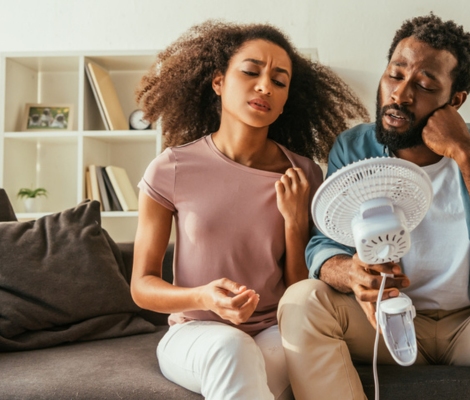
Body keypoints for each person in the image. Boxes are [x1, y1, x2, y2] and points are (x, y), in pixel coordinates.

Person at [278, 13, 470, 400]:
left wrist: (465, 153)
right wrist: (348, 272)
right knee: (301, 301)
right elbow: (324, 245)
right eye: (395, 74)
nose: (401, 94)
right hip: (388, 323)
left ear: (454, 101)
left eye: (424, 84)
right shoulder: (354, 148)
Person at [130, 21, 369, 400]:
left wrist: (294, 222)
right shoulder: (171, 168)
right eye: (250, 71)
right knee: (232, 348)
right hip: (194, 332)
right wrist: (204, 297)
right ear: (219, 81)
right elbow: (142, 287)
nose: (264, 87)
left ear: (287, 97)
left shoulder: (304, 173)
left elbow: (300, 290)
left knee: (259, 355)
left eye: (279, 80)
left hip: (276, 328)